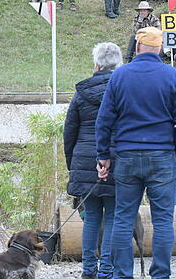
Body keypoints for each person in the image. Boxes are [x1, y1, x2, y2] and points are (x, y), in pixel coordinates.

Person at [96, 26, 176, 279]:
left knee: (123, 217)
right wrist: (175, 147)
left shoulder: (120, 76)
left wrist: (103, 155)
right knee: (162, 220)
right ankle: (160, 274)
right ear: (160, 48)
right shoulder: (172, 76)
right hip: (162, 156)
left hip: (127, 156)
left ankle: (122, 274)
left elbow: (104, 119)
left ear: (137, 47)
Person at [64, 42, 123, 279]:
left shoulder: (82, 92)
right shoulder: (123, 90)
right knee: (111, 216)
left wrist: (73, 166)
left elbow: (69, 133)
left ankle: (88, 269)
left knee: (91, 217)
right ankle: (106, 270)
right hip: (115, 159)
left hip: (85, 160)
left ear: (96, 64)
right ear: (119, 64)